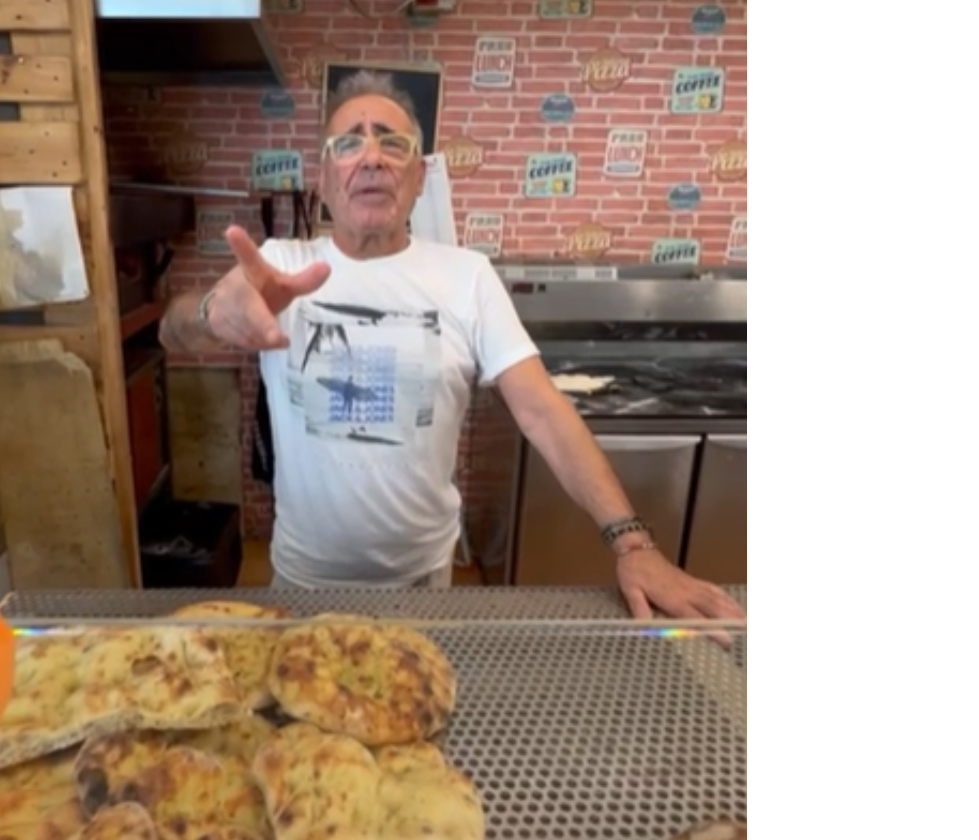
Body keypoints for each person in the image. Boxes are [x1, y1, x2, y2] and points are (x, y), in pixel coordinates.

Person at [159, 70, 744, 623]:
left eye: (393, 143)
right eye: (349, 142)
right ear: (326, 176)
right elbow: (172, 329)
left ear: (418, 177)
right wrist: (210, 312)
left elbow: (543, 411)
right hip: (302, 582)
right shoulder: (278, 265)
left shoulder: (467, 277)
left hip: (424, 586)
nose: (372, 156)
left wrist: (633, 543)